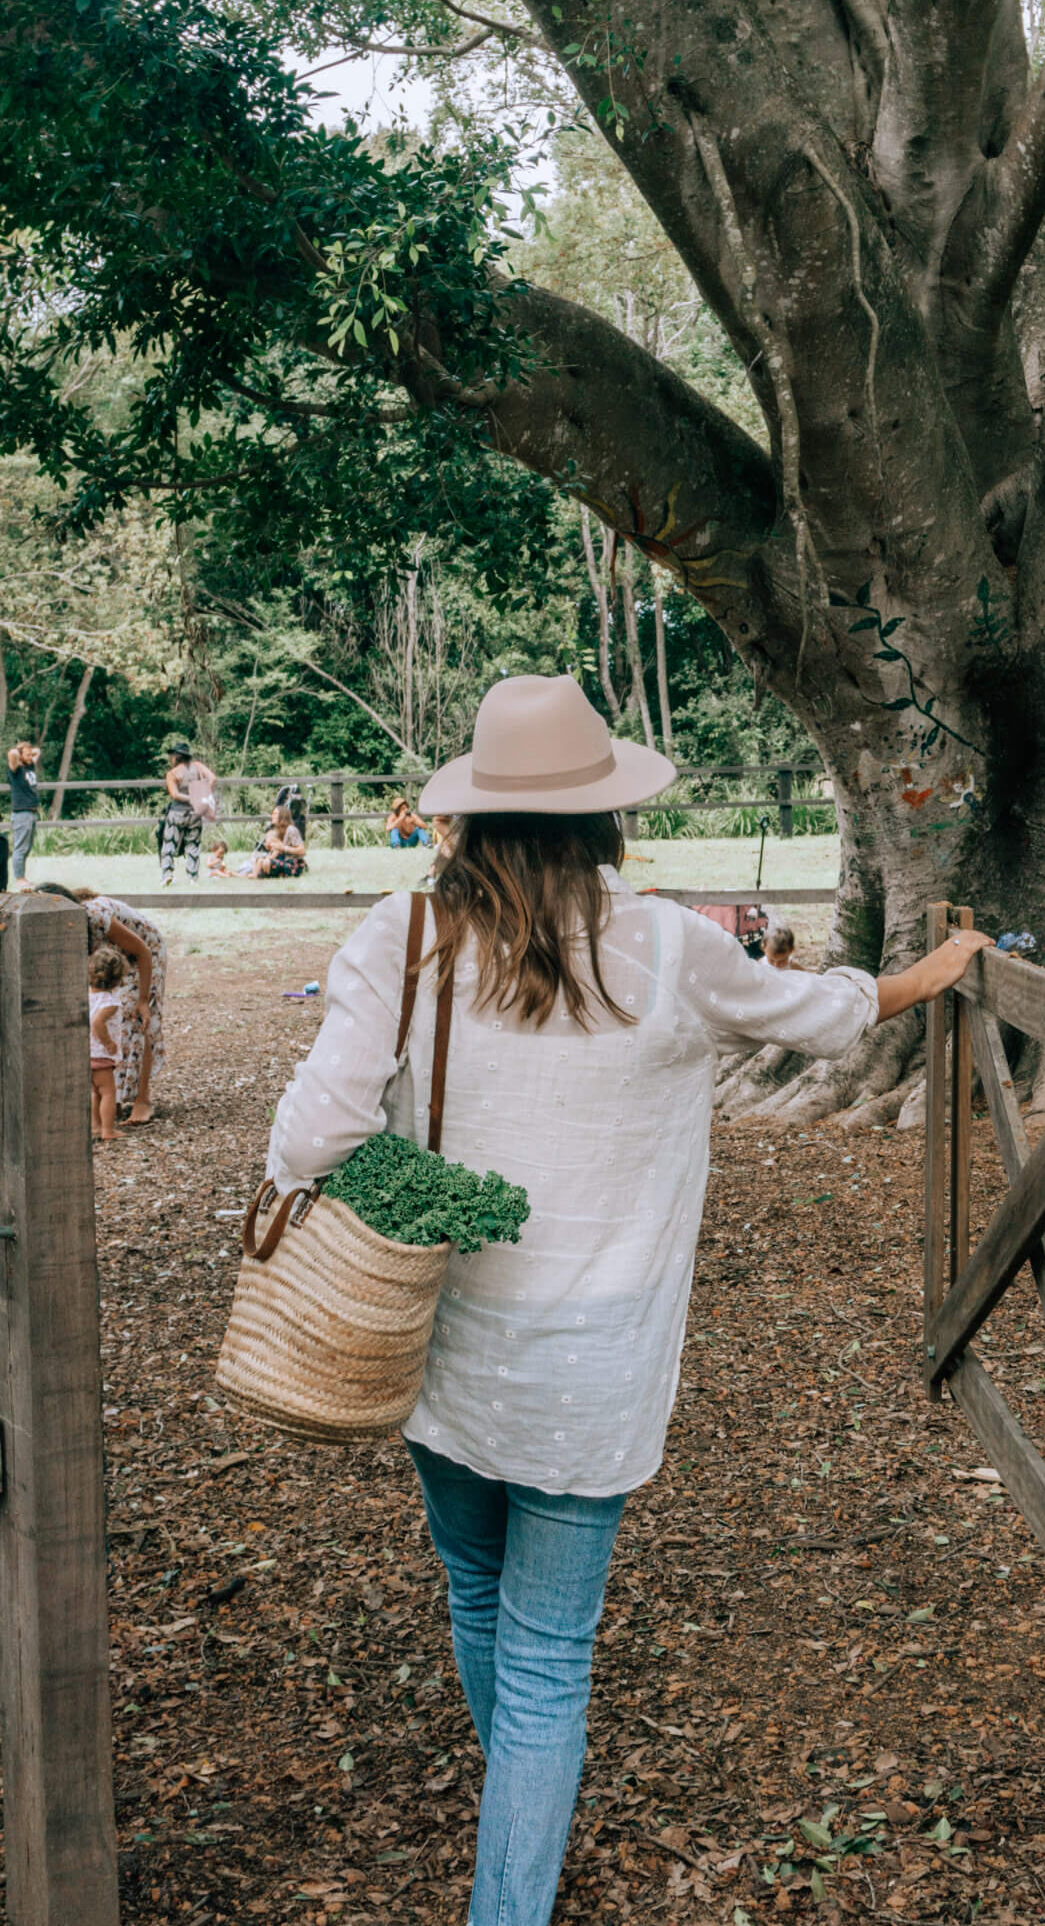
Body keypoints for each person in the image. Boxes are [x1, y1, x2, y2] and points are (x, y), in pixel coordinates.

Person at [265, 674, 994, 1926]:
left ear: (471, 818)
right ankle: (518, 1876)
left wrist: (439, 1199)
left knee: (475, 1593)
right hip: (594, 1367)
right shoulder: (670, 946)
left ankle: (520, 1820)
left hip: (438, 1339)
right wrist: (932, 972)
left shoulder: (404, 936)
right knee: (548, 1658)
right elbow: (823, 1016)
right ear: (607, 820)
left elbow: (312, 1141)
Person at [35, 884, 166, 1124]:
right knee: (104, 1011)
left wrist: (144, 1000)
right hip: (110, 953)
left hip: (145, 951)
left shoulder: (94, 917)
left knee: (135, 1017)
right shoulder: (60, 927)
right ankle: (111, 1097)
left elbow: (143, 951)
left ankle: (142, 1100)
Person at [161, 739, 218, 885]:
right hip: (195, 812)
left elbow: (175, 795)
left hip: (177, 812)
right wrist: (201, 794)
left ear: (176, 757)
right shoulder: (197, 766)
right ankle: (192, 877)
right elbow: (212, 778)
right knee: (193, 844)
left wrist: (190, 797)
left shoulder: (172, 773)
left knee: (169, 843)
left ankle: (167, 874)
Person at [89, 944, 125, 1141]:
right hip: (101, 1054)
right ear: (117, 979)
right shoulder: (109, 1002)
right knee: (108, 1092)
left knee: (95, 1092)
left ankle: (95, 1126)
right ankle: (108, 1130)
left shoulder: (88, 996)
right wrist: (109, 1043)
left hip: (87, 1053)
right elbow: (97, 1022)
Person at [7, 735, 40, 887]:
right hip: (21, 813)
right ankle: (19, 879)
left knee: (27, 848)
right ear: (20, 756)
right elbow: (12, 754)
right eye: (27, 755)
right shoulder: (15, 769)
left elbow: (37, 751)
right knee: (20, 848)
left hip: (32, 813)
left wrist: (29, 752)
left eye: (30, 754)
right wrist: (19, 752)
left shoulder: (30, 766)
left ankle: (23, 877)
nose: (31, 756)